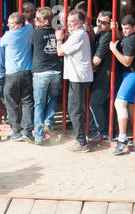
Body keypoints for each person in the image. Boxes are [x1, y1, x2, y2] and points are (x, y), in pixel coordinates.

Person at [56, 9, 93, 152]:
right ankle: (82, 139)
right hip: (78, 76)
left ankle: (82, 142)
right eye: (68, 22)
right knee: (76, 108)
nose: (69, 25)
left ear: (81, 23)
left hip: (79, 77)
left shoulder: (79, 35)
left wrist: (59, 39)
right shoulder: (79, 33)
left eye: (72, 22)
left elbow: (60, 51)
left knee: (75, 109)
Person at [30, 7, 62, 145]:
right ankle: (48, 122)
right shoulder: (57, 32)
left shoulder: (35, 34)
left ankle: (38, 136)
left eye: (38, 19)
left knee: (39, 104)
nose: (35, 20)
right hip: (55, 71)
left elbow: (32, 43)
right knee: (53, 97)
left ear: (45, 20)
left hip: (41, 73)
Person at [1, 12, 34, 143]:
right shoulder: (29, 29)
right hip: (26, 72)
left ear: (19, 24)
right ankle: (27, 132)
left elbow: (1, 44)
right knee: (27, 102)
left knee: (11, 103)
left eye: (11, 23)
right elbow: (29, 25)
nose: (8, 25)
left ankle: (16, 132)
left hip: (12, 75)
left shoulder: (8, 36)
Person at [109, 15, 135, 156]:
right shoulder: (129, 37)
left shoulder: (131, 40)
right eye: (123, 29)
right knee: (131, 106)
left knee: (119, 103)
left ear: (134, 27)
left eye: (127, 29)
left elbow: (126, 62)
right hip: (130, 75)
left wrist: (114, 50)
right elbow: (123, 38)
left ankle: (123, 138)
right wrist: (116, 30)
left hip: (131, 75)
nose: (124, 31)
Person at [88, 11, 113, 142]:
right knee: (98, 103)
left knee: (94, 102)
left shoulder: (106, 37)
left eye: (103, 22)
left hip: (106, 77)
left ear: (110, 25)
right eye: (98, 21)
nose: (99, 24)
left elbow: (96, 60)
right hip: (102, 76)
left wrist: (88, 67)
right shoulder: (101, 34)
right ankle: (98, 130)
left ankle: (102, 131)